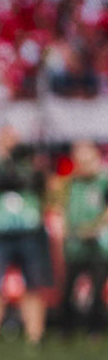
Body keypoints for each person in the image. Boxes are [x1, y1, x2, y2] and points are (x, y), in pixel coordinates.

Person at [0, 126, 52, 345]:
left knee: (33, 285)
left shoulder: (30, 167)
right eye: (3, 141)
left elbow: (49, 194)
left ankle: (35, 334)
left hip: (29, 234)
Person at [59, 141, 108, 337]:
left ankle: (95, 328)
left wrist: (96, 226)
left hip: (99, 244)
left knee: (97, 287)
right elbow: (62, 206)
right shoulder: (72, 182)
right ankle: (66, 327)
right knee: (69, 286)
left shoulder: (103, 180)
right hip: (75, 243)